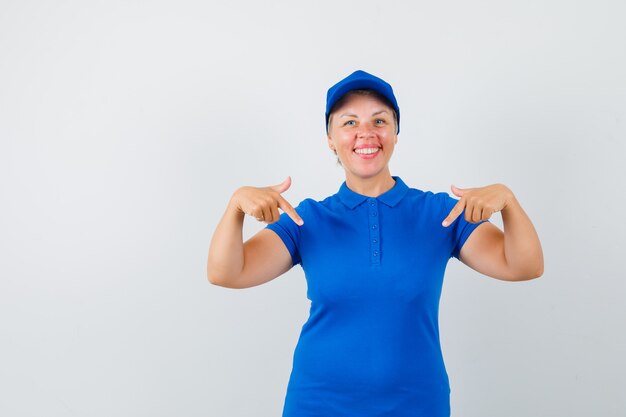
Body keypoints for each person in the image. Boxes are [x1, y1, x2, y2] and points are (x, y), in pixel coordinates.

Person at [207, 70, 544, 417]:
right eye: (349, 122)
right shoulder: (306, 219)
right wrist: (235, 207)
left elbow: (523, 265)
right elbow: (227, 272)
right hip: (318, 404)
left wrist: (508, 202)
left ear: (396, 132)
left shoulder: (441, 214)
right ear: (330, 138)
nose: (365, 133)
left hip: (416, 404)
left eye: (379, 120)